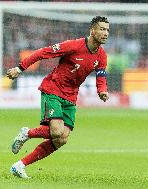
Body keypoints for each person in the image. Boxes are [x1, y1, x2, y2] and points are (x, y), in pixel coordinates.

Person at [7, 16, 110, 179]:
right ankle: (27, 133)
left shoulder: (102, 56)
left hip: (71, 96)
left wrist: (102, 90)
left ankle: (19, 165)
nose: (106, 33)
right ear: (92, 30)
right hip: (53, 89)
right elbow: (43, 52)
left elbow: (101, 76)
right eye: (102, 29)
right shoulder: (73, 46)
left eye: (107, 30)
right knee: (56, 131)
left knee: (62, 138)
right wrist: (20, 68)